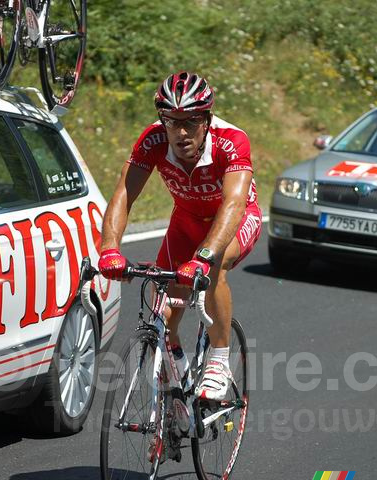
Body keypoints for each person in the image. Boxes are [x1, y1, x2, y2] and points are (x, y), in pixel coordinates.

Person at [98, 72, 262, 401]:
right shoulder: (153, 141)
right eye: (172, 122)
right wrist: (109, 249)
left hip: (233, 220)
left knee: (214, 267)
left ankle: (218, 361)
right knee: (164, 314)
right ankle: (175, 370)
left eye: (191, 121)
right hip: (186, 221)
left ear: (207, 119)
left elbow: (234, 202)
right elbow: (124, 196)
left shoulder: (231, 140)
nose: (181, 132)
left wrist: (203, 257)